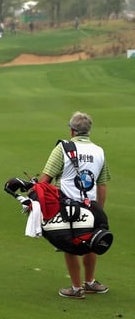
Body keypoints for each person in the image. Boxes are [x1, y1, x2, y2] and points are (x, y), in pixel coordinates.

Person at [38, 111, 110, 299]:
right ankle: (90, 282)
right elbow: (101, 184)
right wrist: (99, 210)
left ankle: (77, 288)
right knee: (92, 241)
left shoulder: (63, 148)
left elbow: (45, 179)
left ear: (72, 131)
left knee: (68, 244)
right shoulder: (99, 151)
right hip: (91, 206)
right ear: (88, 131)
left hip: (67, 206)